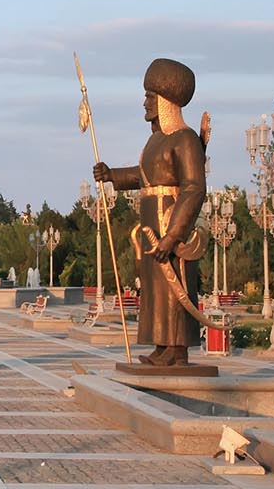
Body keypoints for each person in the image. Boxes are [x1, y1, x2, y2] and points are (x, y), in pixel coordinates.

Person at [92, 58, 206, 367]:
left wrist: (173, 235)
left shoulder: (185, 139)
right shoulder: (156, 140)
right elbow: (144, 176)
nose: (145, 103)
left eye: (150, 97)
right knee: (156, 288)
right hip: (150, 222)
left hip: (170, 223)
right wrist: (112, 174)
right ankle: (162, 345)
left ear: (166, 101)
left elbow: (194, 187)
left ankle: (177, 349)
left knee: (175, 285)